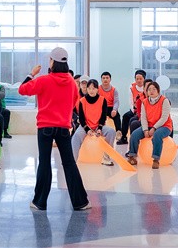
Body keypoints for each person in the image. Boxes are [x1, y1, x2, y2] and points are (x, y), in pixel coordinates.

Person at [19, 47, 90, 211]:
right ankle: (81, 202)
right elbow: (75, 101)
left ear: (53, 62)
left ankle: (39, 202)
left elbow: (22, 90)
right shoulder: (72, 83)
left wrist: (31, 74)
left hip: (45, 127)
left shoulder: (43, 80)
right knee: (69, 163)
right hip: (63, 127)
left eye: (50, 59)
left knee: (44, 163)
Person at [125, 81, 173, 169]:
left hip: (164, 126)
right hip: (149, 125)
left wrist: (154, 128)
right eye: (149, 89)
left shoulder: (164, 101)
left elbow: (164, 118)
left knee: (157, 135)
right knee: (134, 135)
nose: (151, 91)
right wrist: (145, 130)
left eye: (154, 89)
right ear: (146, 91)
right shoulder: (144, 102)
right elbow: (143, 118)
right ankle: (132, 156)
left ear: (158, 91)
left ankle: (156, 160)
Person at [71, 79, 116, 166]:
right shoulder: (82, 101)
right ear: (87, 89)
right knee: (76, 136)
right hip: (85, 126)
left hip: (98, 125)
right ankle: (72, 161)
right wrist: (87, 129)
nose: (91, 90)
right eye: (89, 88)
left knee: (111, 132)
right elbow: (81, 119)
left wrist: (99, 128)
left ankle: (106, 158)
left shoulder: (103, 100)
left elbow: (103, 117)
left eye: (93, 88)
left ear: (97, 89)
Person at [118, 69, 147, 145]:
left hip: (144, 110)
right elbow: (130, 101)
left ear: (144, 79)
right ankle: (124, 138)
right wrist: (134, 111)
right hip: (135, 109)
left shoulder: (147, 87)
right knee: (125, 116)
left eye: (140, 79)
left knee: (133, 121)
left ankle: (135, 140)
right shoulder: (131, 87)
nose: (139, 80)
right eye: (137, 79)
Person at [98, 72, 121, 141]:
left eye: (107, 78)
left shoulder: (114, 90)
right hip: (101, 107)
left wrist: (114, 110)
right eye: (103, 78)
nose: (105, 79)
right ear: (101, 79)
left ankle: (118, 132)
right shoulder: (98, 89)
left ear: (110, 79)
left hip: (110, 107)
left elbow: (116, 101)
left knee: (117, 116)